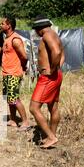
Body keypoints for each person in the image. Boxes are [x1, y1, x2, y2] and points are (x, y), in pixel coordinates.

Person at [29, 15, 65, 149]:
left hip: (48, 78)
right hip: (56, 75)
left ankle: (51, 136)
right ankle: (51, 136)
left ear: (39, 29)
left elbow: (56, 52)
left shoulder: (47, 36)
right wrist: (57, 68)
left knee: (33, 107)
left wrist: (52, 69)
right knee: (53, 107)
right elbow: (62, 52)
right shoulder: (54, 34)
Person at [0, 17, 30, 131]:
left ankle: (25, 122)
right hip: (6, 73)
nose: (0, 25)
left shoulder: (15, 39)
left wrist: (22, 67)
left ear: (9, 26)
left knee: (14, 98)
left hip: (13, 73)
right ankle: (13, 120)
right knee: (9, 97)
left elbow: (24, 56)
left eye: (2, 24)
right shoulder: (6, 38)